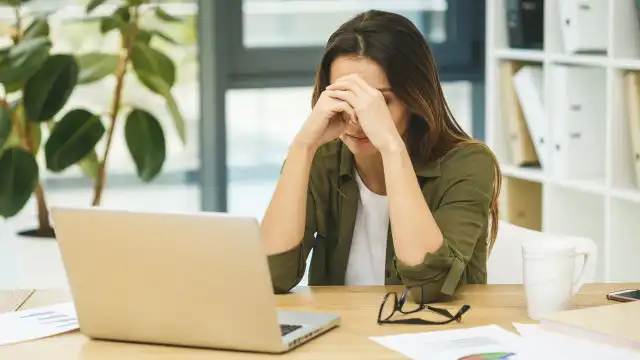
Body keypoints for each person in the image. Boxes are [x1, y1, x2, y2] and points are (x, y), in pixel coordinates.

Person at [260, 10, 501, 304]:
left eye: (378, 102)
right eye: (345, 98)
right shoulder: (322, 159)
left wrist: (391, 147)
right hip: (345, 340)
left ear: (415, 98)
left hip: (436, 340)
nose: (358, 119)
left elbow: (430, 287)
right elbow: (271, 277)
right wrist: (302, 147)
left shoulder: (468, 164)